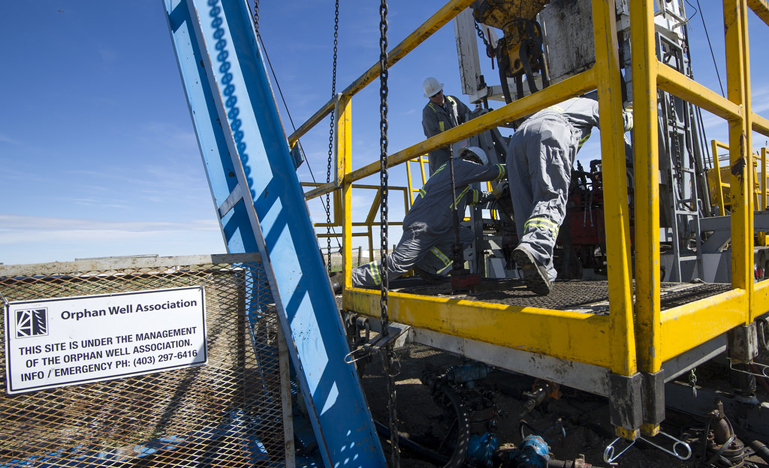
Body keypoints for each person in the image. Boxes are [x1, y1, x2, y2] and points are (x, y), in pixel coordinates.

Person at [332, 147, 506, 293]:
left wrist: (493, 194)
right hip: (424, 227)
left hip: (440, 229)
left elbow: (472, 197)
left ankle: (426, 267)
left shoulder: (458, 183)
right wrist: (514, 164)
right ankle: (345, 280)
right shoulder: (459, 166)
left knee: (465, 236)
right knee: (397, 265)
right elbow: (493, 172)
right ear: (475, 161)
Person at [507, 96, 633, 295]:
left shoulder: (557, 106)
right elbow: (617, 120)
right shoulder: (592, 105)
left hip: (518, 138)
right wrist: (631, 113)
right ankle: (535, 248)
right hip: (549, 131)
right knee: (550, 197)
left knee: (526, 207)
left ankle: (542, 269)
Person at [422, 77, 473, 175]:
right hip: (441, 154)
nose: (437, 96)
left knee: (464, 177)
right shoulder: (428, 111)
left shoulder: (452, 101)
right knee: (443, 180)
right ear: (429, 97)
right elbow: (434, 135)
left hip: (459, 147)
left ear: (442, 90)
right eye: (433, 95)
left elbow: (468, 116)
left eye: (438, 92)